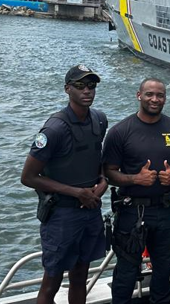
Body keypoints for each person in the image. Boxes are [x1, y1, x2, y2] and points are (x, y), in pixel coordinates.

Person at [21, 64, 108, 304]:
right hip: (62, 215)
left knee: (81, 276)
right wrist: (76, 192)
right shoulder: (55, 129)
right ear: (67, 89)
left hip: (90, 210)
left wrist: (103, 183)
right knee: (52, 280)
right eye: (80, 85)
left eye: (91, 85)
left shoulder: (99, 120)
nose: (87, 91)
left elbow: (96, 158)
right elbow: (28, 177)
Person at [102, 78, 170, 304]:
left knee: (163, 273)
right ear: (139, 95)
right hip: (132, 213)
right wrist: (136, 178)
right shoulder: (120, 132)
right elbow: (108, 172)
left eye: (159, 95)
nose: (155, 99)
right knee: (125, 273)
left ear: (165, 98)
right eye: (149, 94)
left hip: (167, 210)